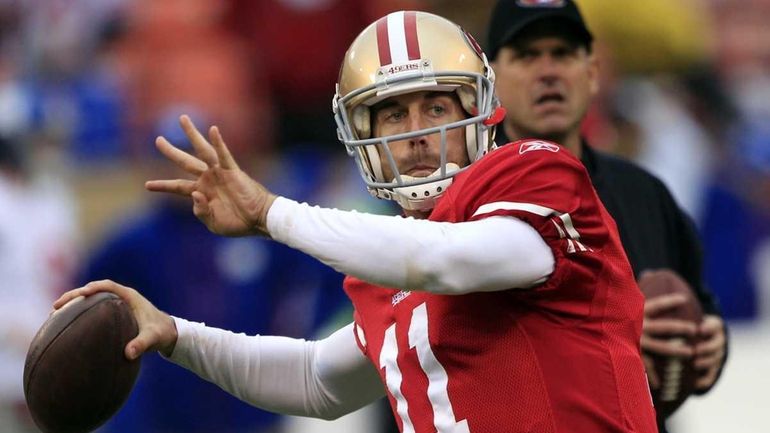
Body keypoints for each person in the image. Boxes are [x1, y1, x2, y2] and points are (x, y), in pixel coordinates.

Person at [56, 11, 658, 433]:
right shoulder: (383, 263)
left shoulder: (537, 175)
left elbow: (445, 259)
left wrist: (271, 214)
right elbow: (316, 380)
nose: (417, 130)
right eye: (392, 113)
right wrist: (177, 336)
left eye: (437, 106)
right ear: (362, 137)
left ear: (478, 111)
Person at [484, 0, 728, 430]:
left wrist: (708, 344)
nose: (548, 71)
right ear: (492, 81)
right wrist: (618, 341)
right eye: (526, 55)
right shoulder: (465, 203)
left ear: (593, 72)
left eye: (563, 53)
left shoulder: (644, 193)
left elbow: (699, 303)